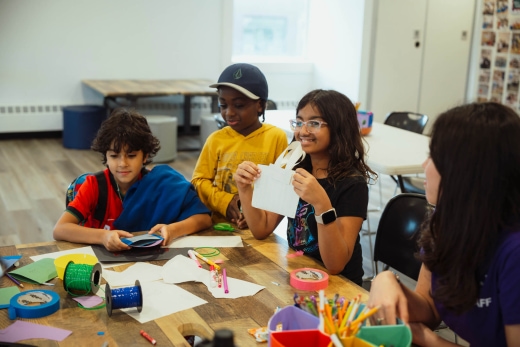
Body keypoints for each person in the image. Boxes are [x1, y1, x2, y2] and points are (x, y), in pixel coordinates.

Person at [367, 102, 520, 346]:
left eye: (434, 157)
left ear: (467, 172)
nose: (425, 166)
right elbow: (429, 308)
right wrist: (386, 281)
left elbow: (426, 329)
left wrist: (427, 339)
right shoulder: (447, 221)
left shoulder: (514, 252)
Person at [233, 89, 376, 285]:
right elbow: (261, 228)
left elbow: (335, 265)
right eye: (299, 122)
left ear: (339, 128)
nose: (303, 131)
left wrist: (322, 204)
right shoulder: (296, 166)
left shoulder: (353, 184)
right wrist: (245, 188)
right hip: (299, 273)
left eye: (314, 123)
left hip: (339, 286)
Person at [54, 108, 212, 251]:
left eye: (131, 155)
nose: (123, 164)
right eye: (114, 156)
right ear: (105, 157)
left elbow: (204, 219)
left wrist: (173, 230)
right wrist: (103, 237)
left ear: (145, 156)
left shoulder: (163, 184)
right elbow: (60, 229)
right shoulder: (94, 186)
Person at [191, 63, 288, 228]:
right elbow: (198, 181)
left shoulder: (276, 137)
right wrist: (226, 202)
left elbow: (281, 186)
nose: (229, 112)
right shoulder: (215, 140)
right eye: (223, 105)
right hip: (218, 228)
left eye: (239, 105)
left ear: (260, 105)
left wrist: (254, 213)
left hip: (260, 231)